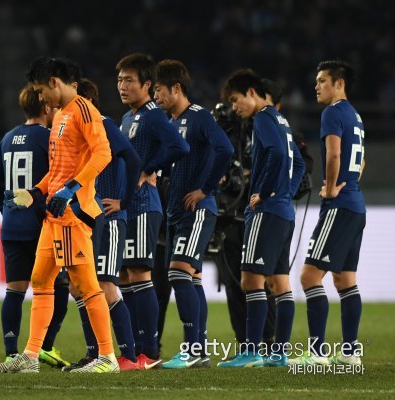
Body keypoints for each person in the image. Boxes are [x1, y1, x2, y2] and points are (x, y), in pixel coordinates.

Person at [0, 57, 117, 373]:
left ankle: (107, 357)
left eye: (40, 90)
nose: (39, 99)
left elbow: (104, 153)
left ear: (54, 82)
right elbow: (58, 170)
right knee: (40, 280)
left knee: (86, 286)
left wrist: (70, 190)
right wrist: (35, 191)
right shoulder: (60, 116)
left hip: (73, 214)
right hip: (54, 214)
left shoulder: (84, 110)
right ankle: (31, 356)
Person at [218, 69, 304, 367]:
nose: (234, 107)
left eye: (236, 99)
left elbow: (279, 157)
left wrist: (264, 192)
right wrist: (286, 192)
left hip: (267, 212)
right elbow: (300, 161)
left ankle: (252, 351)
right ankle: (278, 354)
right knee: (280, 283)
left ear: (252, 94)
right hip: (284, 211)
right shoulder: (281, 120)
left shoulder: (264, 119)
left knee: (251, 280)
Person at [153, 59, 234, 369]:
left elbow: (225, 149)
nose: (156, 97)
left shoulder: (199, 117)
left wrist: (205, 188)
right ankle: (198, 351)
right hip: (175, 213)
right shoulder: (171, 123)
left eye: (159, 90)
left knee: (177, 274)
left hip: (198, 210)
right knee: (192, 279)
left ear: (176, 88)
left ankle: (193, 350)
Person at [62, 78, 142, 371]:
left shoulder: (104, 124)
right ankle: (94, 352)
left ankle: (129, 356)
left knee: (106, 283)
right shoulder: (79, 131)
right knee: (80, 285)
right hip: (87, 220)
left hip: (109, 219)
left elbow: (132, 159)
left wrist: (123, 200)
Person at [116, 53, 189, 369]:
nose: (122, 85)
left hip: (146, 206)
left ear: (147, 84)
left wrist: (150, 169)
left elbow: (179, 147)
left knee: (140, 274)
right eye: (119, 80)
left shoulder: (153, 115)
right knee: (125, 277)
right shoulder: (128, 117)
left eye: (129, 80)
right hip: (126, 206)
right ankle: (132, 351)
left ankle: (149, 351)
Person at [291, 61, 366, 366]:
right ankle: (350, 354)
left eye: (322, 81)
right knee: (345, 279)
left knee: (309, 276)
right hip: (356, 205)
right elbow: (362, 164)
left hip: (339, 205)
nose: (317, 86)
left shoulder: (332, 113)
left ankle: (317, 353)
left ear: (339, 84)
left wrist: (332, 188)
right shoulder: (356, 117)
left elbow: (334, 153)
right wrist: (348, 184)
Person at [0, 84, 70, 368]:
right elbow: (58, 176)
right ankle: (44, 346)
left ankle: (12, 351)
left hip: (12, 225)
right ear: (47, 107)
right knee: (56, 287)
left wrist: (9, 211)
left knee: (14, 290)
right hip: (41, 225)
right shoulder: (49, 139)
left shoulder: (8, 137)